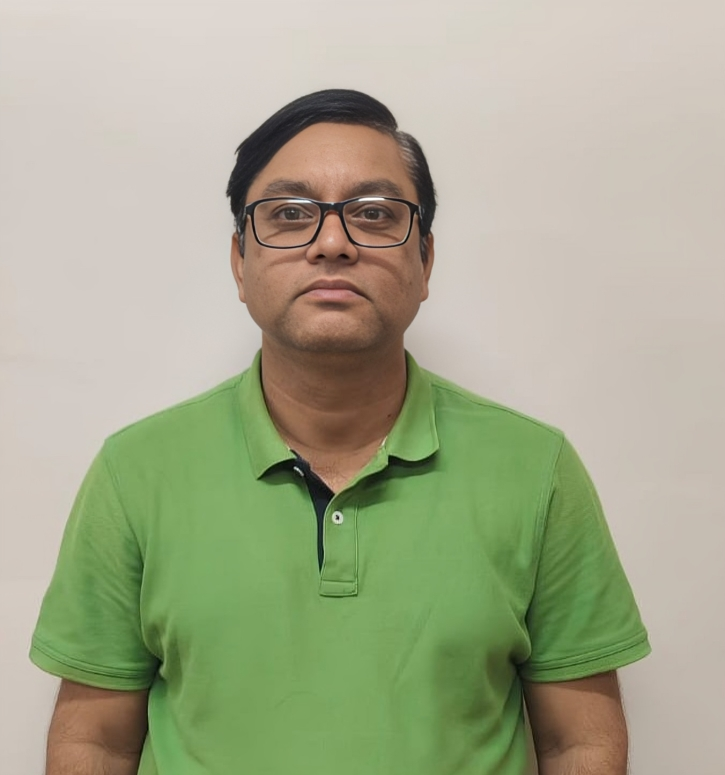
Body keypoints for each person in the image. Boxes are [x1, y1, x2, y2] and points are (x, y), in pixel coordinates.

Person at [30, 88, 650, 775]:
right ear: (240, 261)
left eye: (374, 213)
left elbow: (577, 741)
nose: (332, 243)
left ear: (425, 261)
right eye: (290, 214)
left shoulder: (535, 469)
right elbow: (95, 741)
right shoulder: (136, 470)